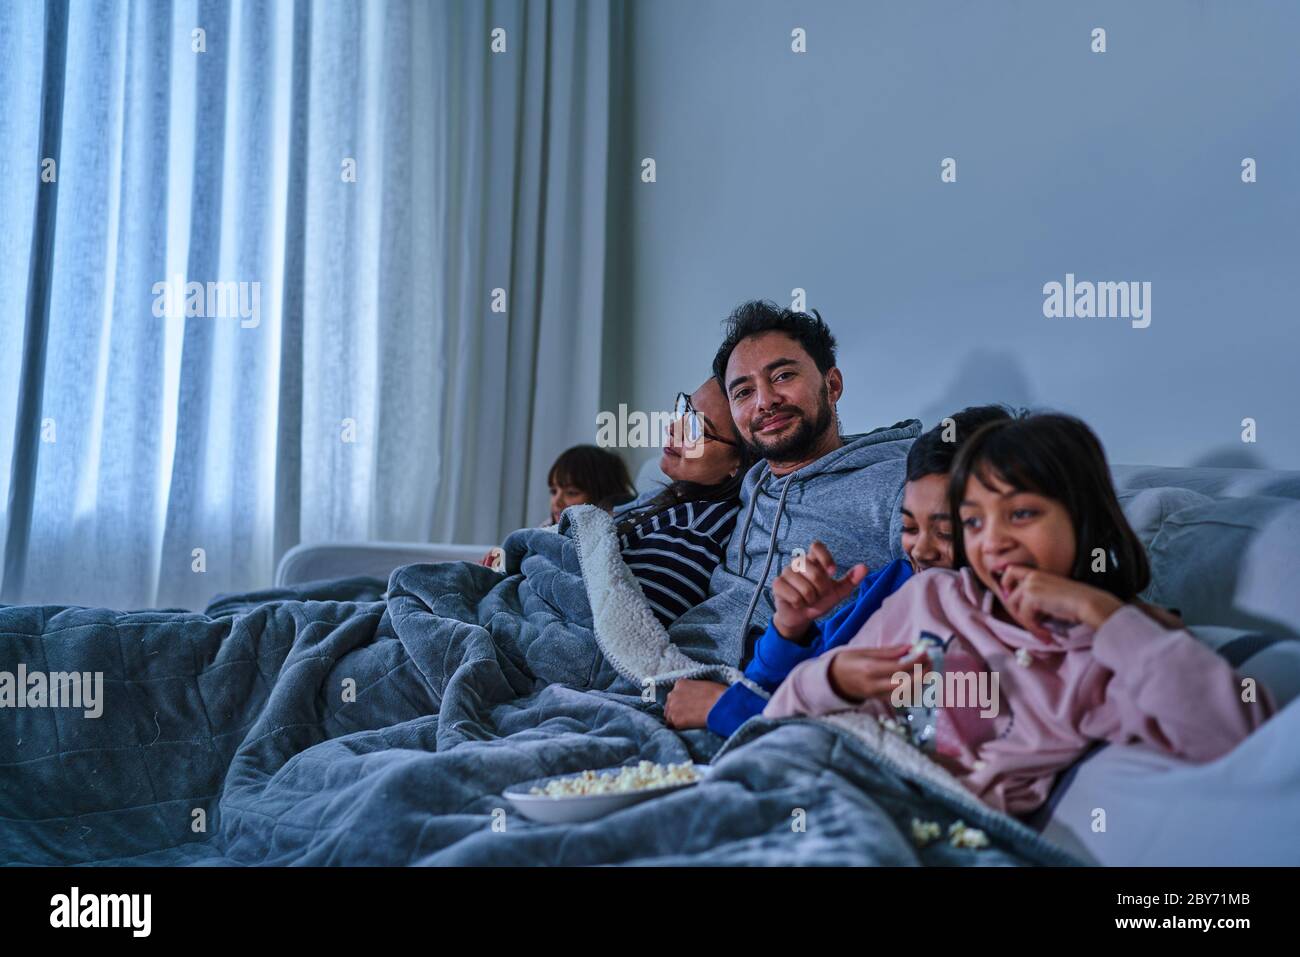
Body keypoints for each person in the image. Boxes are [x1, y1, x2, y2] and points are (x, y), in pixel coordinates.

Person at [763, 413, 1276, 817]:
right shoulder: (930, 599)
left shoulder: (1097, 661)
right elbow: (777, 724)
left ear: (1085, 520)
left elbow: (1240, 740)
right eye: (973, 522)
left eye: (1022, 514)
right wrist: (834, 676)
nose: (994, 539)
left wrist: (1102, 614)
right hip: (825, 785)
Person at [665, 405, 1012, 731]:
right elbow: (768, 685)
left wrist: (728, 710)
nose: (921, 549)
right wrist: (790, 628)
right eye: (909, 528)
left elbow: (885, 740)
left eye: (947, 532)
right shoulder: (892, 582)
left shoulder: (987, 631)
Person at [653, 299, 921, 675]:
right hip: (670, 667)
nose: (765, 402)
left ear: (832, 385)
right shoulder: (745, 484)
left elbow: (933, 608)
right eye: (743, 392)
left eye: (782, 376)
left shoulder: (901, 480)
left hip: (781, 690)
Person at [614, 379, 755, 626]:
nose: (672, 427)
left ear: (738, 464)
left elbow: (626, 624)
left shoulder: (695, 530)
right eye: (684, 409)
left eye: (696, 428)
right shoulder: (676, 496)